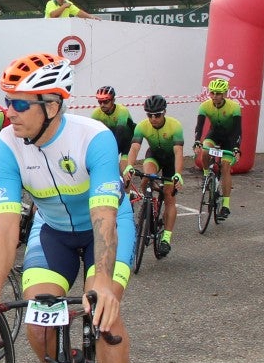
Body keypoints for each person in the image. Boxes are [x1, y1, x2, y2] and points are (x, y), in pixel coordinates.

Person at [0, 53, 138, 363]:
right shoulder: (7, 146)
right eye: (7, 102)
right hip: (54, 232)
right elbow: (6, 223)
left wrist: (102, 284)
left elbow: (104, 216)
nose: (9, 112)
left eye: (19, 103)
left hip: (105, 227)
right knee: (38, 320)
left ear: (52, 105)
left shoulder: (93, 138)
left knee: (104, 315)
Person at [124, 94, 184, 257]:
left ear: (164, 112)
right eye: (149, 115)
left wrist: (178, 174)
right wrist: (129, 166)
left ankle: (166, 239)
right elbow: (134, 148)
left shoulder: (175, 126)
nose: (153, 119)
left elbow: (178, 152)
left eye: (157, 115)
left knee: (169, 197)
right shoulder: (142, 126)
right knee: (147, 177)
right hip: (154, 157)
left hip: (170, 161)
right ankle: (148, 203)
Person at [194, 77, 241, 220]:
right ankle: (206, 174)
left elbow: (237, 130)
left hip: (229, 139)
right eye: (212, 93)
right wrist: (197, 141)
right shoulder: (205, 106)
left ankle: (226, 206)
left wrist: (236, 148)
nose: (214, 96)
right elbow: (199, 126)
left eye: (218, 93)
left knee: (225, 167)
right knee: (205, 151)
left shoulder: (234, 107)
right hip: (214, 135)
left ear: (225, 93)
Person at [90, 86, 135, 171]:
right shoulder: (96, 113)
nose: (102, 105)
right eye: (100, 102)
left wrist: (111, 152)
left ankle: (126, 178)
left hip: (127, 140)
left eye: (105, 101)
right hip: (113, 138)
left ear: (113, 100)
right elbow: (90, 133)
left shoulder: (122, 111)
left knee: (124, 169)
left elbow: (120, 132)